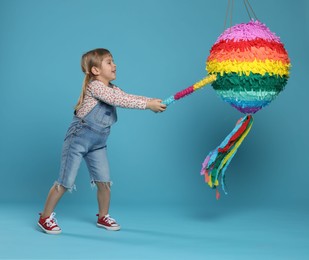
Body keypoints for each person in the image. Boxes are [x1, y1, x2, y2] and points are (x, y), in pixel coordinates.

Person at [38, 48, 166, 234]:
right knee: (65, 182)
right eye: (109, 62)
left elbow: (126, 97)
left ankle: (103, 216)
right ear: (96, 71)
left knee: (104, 182)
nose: (114, 65)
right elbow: (118, 100)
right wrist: (147, 105)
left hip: (98, 143)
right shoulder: (95, 87)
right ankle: (45, 217)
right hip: (78, 139)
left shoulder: (113, 88)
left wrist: (151, 101)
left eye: (113, 61)